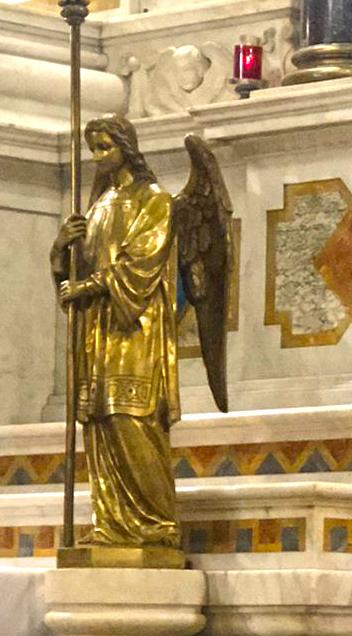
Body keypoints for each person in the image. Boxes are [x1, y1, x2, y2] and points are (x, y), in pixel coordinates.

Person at [51, 115, 181, 549]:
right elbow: (76, 271)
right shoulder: (98, 205)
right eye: (93, 148)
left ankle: (157, 523)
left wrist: (87, 286)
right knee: (101, 421)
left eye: (105, 147)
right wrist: (60, 251)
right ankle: (112, 524)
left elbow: (141, 263)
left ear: (127, 147)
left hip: (135, 327)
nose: (98, 157)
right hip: (98, 329)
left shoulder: (154, 200)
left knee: (130, 417)